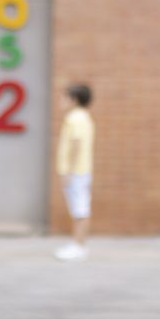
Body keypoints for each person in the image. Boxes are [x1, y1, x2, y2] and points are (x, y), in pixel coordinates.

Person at [54, 83, 94, 262]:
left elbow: (76, 144)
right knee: (79, 208)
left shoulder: (75, 118)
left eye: (65, 97)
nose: (62, 101)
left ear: (75, 100)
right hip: (80, 171)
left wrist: (69, 171)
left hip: (76, 172)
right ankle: (77, 243)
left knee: (80, 209)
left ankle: (79, 246)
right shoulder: (83, 117)